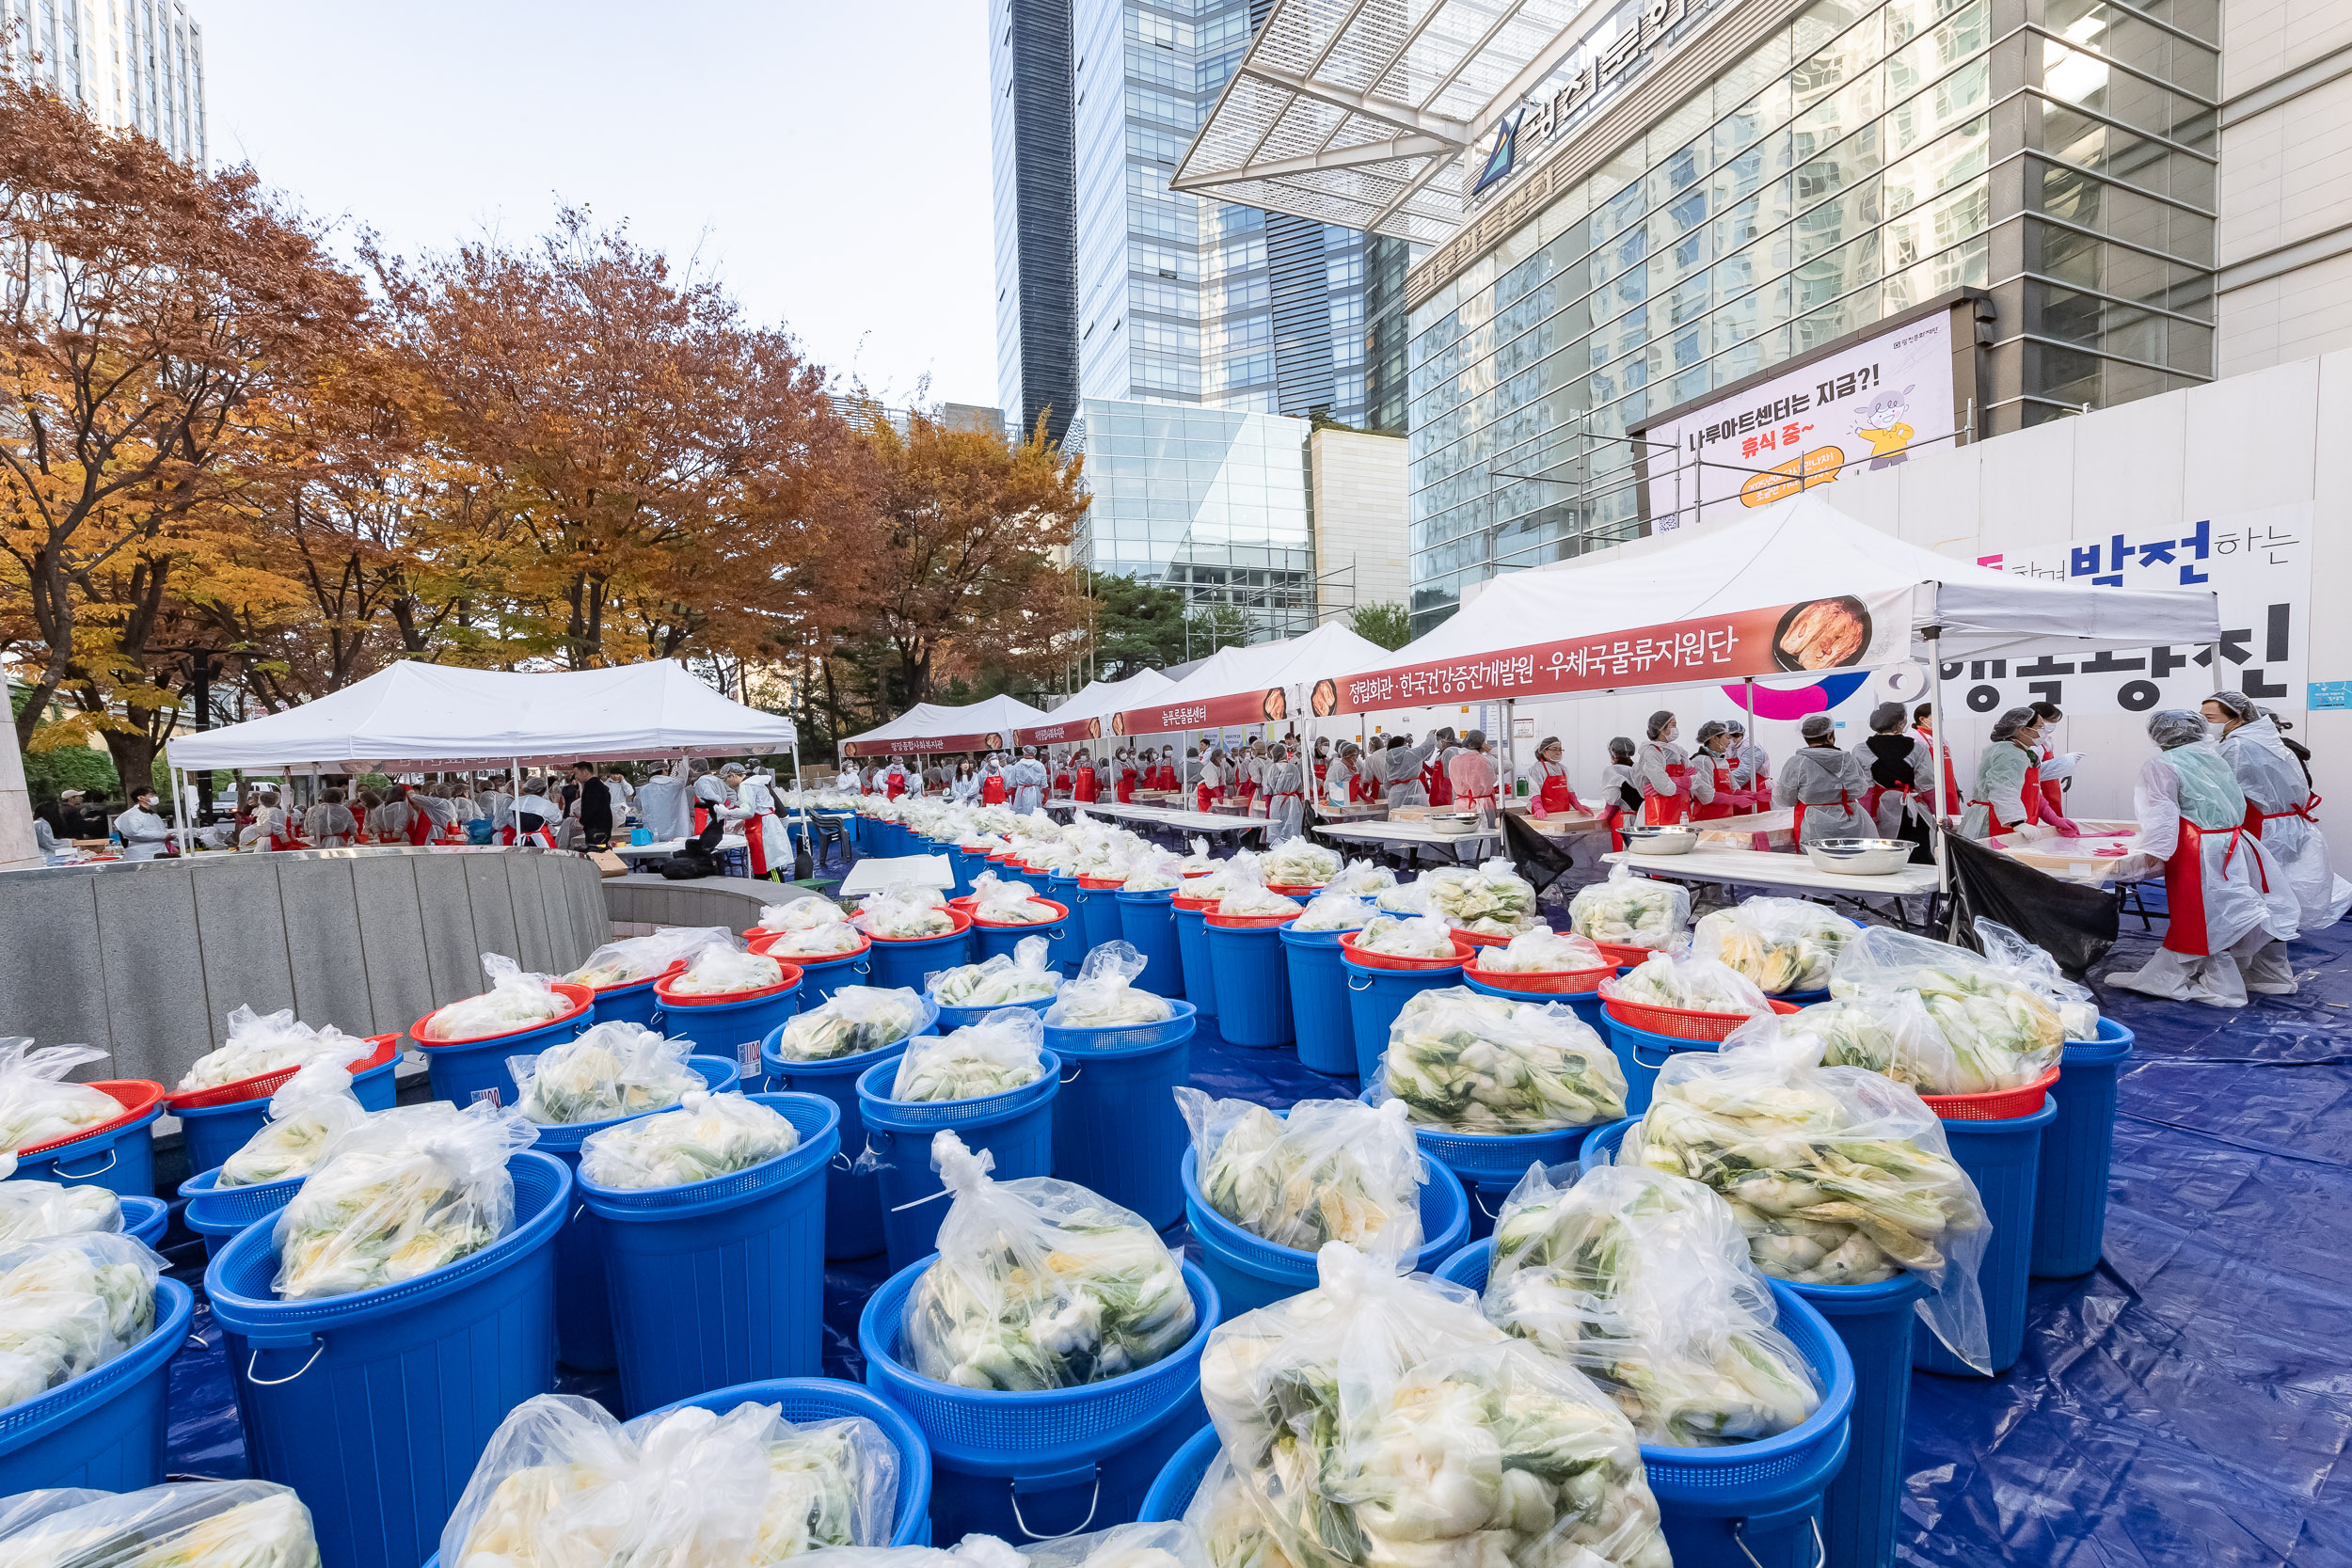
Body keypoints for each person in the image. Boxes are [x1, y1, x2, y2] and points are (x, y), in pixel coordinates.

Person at [2106, 709, 2301, 1006]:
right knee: (2224, 910)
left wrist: (2154, 850)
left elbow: (2161, 811)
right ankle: (2256, 975)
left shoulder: (2162, 763)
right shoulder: (2213, 756)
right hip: (2231, 842)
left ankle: (2211, 985)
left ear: (2158, 735)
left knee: (2196, 916)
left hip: (2196, 847)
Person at [2205, 690, 2352, 929]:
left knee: (2264, 893)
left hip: (2262, 827)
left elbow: (2222, 792)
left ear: (2238, 717)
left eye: (2210, 718)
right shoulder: (2272, 744)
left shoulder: (2237, 747)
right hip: (2286, 825)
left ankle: (2263, 947)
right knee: (2281, 889)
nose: (2204, 724)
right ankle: (2272, 949)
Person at [1772, 714, 1875, 844]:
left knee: (1816, 859)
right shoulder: (1848, 760)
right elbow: (1860, 790)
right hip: (1850, 820)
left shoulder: (1797, 762)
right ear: (1830, 735)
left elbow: (1784, 798)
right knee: (1850, 858)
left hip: (1814, 824)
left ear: (1805, 737)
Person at [1862, 702, 1935, 863]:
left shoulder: (1861, 749)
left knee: (1882, 861)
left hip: (1879, 814)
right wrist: (1937, 812)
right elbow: (1927, 784)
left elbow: (1865, 790)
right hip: (1912, 812)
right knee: (1917, 861)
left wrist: (1867, 818)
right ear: (1900, 722)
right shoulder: (1917, 747)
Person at [1958, 708, 2041, 841]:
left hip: (2005, 815)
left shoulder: (2019, 751)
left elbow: (2031, 789)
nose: (2044, 733)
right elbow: (2002, 788)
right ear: (2023, 729)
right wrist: (2016, 822)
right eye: (2040, 728)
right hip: (1996, 819)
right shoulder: (2009, 752)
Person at [1635, 711, 1711, 824]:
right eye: (1673, 725)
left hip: (1682, 812)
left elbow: (1697, 779)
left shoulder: (1679, 751)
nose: (1676, 729)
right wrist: (1686, 782)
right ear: (1661, 728)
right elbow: (1665, 787)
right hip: (1659, 813)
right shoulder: (1651, 752)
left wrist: (1676, 781)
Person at [718, 761, 787, 879]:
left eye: (726, 780)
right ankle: (772, 888)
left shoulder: (745, 786)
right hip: (766, 824)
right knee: (769, 863)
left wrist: (727, 812)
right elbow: (759, 807)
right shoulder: (755, 782)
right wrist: (741, 822)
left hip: (761, 829)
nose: (726, 783)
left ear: (733, 775)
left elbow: (747, 811)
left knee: (767, 864)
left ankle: (778, 890)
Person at [2026, 700, 2082, 836]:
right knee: (2037, 811)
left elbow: (2046, 764)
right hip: (2037, 782)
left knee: (2054, 810)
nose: (2053, 725)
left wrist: (2063, 769)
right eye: (2050, 720)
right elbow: (2031, 771)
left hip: (2050, 781)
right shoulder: (2032, 744)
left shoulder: (2047, 740)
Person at [1375, 729, 1451, 808]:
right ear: (1402, 744)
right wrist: (1431, 735)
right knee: (1416, 817)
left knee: (1397, 817)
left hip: (1395, 795)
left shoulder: (1388, 761)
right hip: (1412, 791)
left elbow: (1386, 784)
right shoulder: (1410, 754)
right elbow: (1425, 748)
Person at [1688, 721, 1745, 821]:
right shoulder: (1701, 761)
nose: (1729, 742)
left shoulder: (1723, 762)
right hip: (1707, 819)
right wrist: (1735, 799)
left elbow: (1734, 788)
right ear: (1715, 738)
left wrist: (1755, 795)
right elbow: (1707, 796)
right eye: (1727, 737)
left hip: (1726, 817)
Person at [1911, 703, 1961, 815]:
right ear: (1922, 719)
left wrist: (1955, 787)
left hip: (1948, 788)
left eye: (1941, 716)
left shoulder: (1941, 737)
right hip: (1929, 791)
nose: (1941, 719)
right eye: (1937, 716)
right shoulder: (1914, 738)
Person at [1447, 730, 1501, 826]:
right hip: (1482, 804)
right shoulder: (1483, 761)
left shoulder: (1453, 760)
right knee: (1484, 836)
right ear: (1482, 744)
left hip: (1460, 804)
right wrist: (1492, 751)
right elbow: (1493, 779)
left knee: (1464, 834)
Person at [1597, 737, 1642, 850]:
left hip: (1624, 819)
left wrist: (1605, 816)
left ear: (1612, 752)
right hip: (1643, 817)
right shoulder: (1639, 768)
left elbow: (1612, 799)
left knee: (1622, 858)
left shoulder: (1612, 771)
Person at [1263, 739, 1309, 845]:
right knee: (1293, 829)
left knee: (1276, 827)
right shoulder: (1294, 768)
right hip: (1293, 801)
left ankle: (1275, 850)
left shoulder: (1270, 769)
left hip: (1276, 801)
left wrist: (1268, 805)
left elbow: (1267, 790)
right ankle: (1292, 850)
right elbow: (1300, 788)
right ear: (1285, 754)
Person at [637, 758, 692, 843]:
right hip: (676, 832)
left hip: (652, 832)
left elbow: (638, 805)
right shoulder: (675, 785)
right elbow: (683, 775)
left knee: (655, 852)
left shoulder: (643, 790)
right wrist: (684, 757)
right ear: (664, 770)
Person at [1527, 736, 1583, 818]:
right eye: (1554, 749)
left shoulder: (1562, 769)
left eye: (1560, 749)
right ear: (1543, 751)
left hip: (1562, 813)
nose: (1558, 752)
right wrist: (1539, 809)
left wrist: (1578, 805)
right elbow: (1534, 792)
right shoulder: (1537, 769)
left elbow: (1569, 791)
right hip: (1543, 815)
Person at [113, 785, 172, 860]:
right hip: (141, 855)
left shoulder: (154, 815)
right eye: (151, 795)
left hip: (158, 853)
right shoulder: (130, 815)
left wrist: (170, 836)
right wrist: (164, 835)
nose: (154, 797)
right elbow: (135, 833)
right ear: (140, 798)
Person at [571, 762, 612, 851]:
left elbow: (590, 806)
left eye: (576, 773)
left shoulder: (592, 786)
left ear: (585, 772)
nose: (575, 777)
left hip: (596, 828)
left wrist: (582, 821)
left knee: (596, 854)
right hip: (603, 827)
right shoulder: (599, 785)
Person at [1724, 721, 1770, 798]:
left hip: (1755, 790)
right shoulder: (1730, 749)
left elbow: (1744, 772)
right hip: (1738, 792)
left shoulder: (1751, 747)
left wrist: (1723, 784)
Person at [511, 779, 561, 847]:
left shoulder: (517, 801)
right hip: (540, 841)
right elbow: (556, 820)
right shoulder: (544, 804)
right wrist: (555, 804)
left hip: (520, 840)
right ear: (543, 790)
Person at [1007, 747, 1048, 815]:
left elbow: (1013, 784)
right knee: (1035, 814)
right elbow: (1044, 783)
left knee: (1021, 815)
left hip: (1021, 792)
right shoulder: (1039, 765)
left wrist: (1013, 797)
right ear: (1034, 754)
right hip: (1035, 792)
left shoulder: (1017, 765)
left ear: (1024, 753)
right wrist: (1046, 796)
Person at [691, 766, 730, 835]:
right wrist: (726, 804)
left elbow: (713, 798)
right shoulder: (716, 779)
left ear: (694, 771)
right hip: (718, 818)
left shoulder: (701, 781)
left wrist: (719, 804)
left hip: (707, 821)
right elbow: (731, 793)